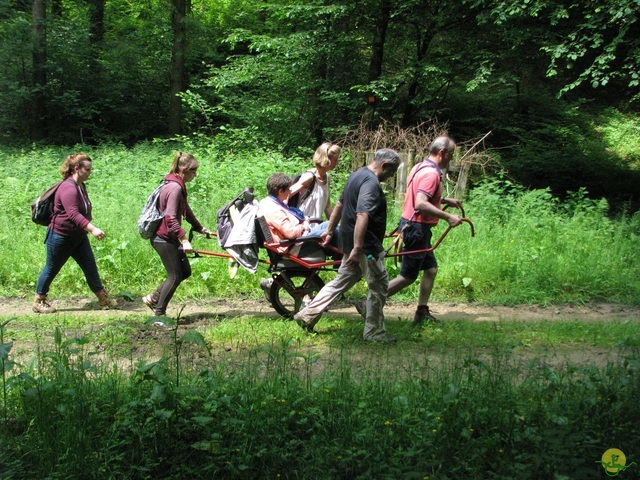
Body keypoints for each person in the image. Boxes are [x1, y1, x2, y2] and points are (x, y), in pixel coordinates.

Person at [293, 149, 401, 343]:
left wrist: (330, 230)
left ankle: (306, 315)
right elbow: (362, 214)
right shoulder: (371, 183)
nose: (391, 176)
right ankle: (374, 332)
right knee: (379, 285)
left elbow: (339, 205)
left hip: (351, 242)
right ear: (384, 166)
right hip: (365, 247)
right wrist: (358, 248)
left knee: (340, 282)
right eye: (392, 172)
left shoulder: (356, 175)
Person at [385, 135, 463, 325]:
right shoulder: (431, 174)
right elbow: (420, 203)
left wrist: (444, 201)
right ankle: (369, 301)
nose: (451, 159)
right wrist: (448, 217)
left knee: (431, 269)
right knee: (407, 277)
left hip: (416, 227)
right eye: (451, 155)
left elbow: (420, 196)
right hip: (417, 228)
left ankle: (421, 312)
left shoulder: (419, 167)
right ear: (442, 153)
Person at [33, 153, 123, 313]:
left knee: (90, 267)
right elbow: (73, 214)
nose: (90, 172)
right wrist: (92, 229)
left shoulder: (80, 185)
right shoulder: (68, 188)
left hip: (78, 236)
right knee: (52, 267)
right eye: (87, 169)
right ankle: (39, 300)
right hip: (61, 236)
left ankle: (103, 298)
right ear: (76, 169)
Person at [142, 152, 212, 321]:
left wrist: (199, 227)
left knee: (185, 271)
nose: (195, 175)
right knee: (175, 276)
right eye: (193, 171)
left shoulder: (177, 183)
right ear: (184, 169)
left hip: (169, 237)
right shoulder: (174, 188)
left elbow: (185, 210)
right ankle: (159, 316)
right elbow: (170, 217)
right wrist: (184, 239)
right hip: (163, 238)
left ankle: (154, 298)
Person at [258, 173, 329, 298]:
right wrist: (304, 226)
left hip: (295, 242)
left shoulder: (267, 202)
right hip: (293, 246)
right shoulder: (274, 210)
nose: (290, 192)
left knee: (328, 225)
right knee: (332, 230)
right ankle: (347, 258)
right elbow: (290, 233)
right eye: (288, 190)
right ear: (281, 191)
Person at [289, 142, 341, 220]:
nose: (337, 163)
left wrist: (333, 226)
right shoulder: (309, 177)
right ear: (326, 159)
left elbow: (327, 206)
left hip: (316, 225)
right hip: (302, 226)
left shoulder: (327, 178)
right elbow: (286, 195)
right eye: (335, 160)